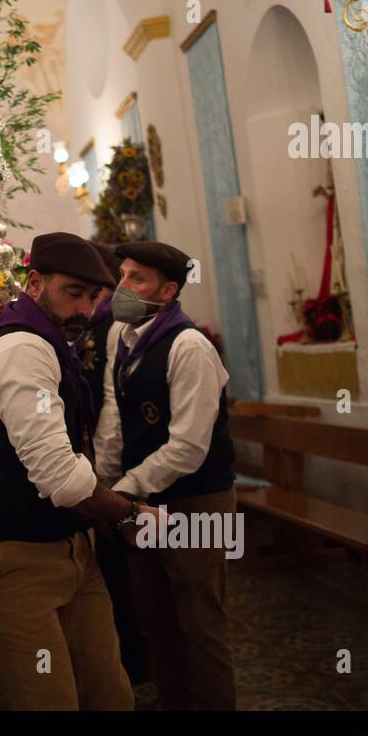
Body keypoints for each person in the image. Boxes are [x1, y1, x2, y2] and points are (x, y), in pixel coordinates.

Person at [0, 231, 155, 711]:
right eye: (72, 293)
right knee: (50, 698)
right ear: (35, 283)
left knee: (109, 692)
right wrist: (127, 513)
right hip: (10, 557)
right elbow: (60, 476)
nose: (84, 309)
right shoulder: (21, 349)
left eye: (93, 296)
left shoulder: (50, 340)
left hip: (71, 547)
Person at [92, 240, 238, 710]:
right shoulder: (123, 336)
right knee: (155, 619)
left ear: (169, 290)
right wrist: (106, 478)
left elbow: (189, 448)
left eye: (138, 279)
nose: (123, 286)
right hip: (144, 505)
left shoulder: (189, 346)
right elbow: (116, 416)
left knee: (200, 622)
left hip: (199, 500)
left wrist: (120, 489)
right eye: (123, 275)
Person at [80, 243, 147, 685]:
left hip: (120, 469)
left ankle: (138, 664)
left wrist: (106, 480)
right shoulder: (101, 324)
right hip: (110, 467)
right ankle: (135, 662)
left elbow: (111, 405)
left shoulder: (111, 326)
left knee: (127, 578)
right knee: (122, 575)